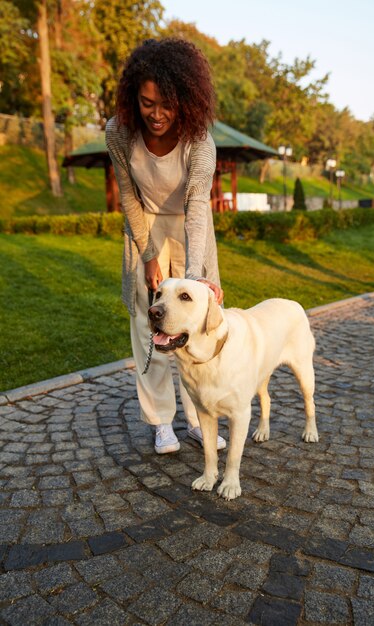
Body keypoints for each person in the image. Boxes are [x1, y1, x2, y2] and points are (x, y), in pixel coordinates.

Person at [105, 38, 226, 454]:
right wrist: (149, 254)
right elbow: (128, 198)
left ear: (184, 101)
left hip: (191, 229)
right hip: (145, 228)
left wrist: (196, 279)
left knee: (195, 324)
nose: (156, 114)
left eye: (166, 105)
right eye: (147, 103)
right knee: (149, 323)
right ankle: (160, 422)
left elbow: (197, 206)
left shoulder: (200, 142)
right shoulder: (118, 132)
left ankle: (197, 418)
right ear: (133, 98)